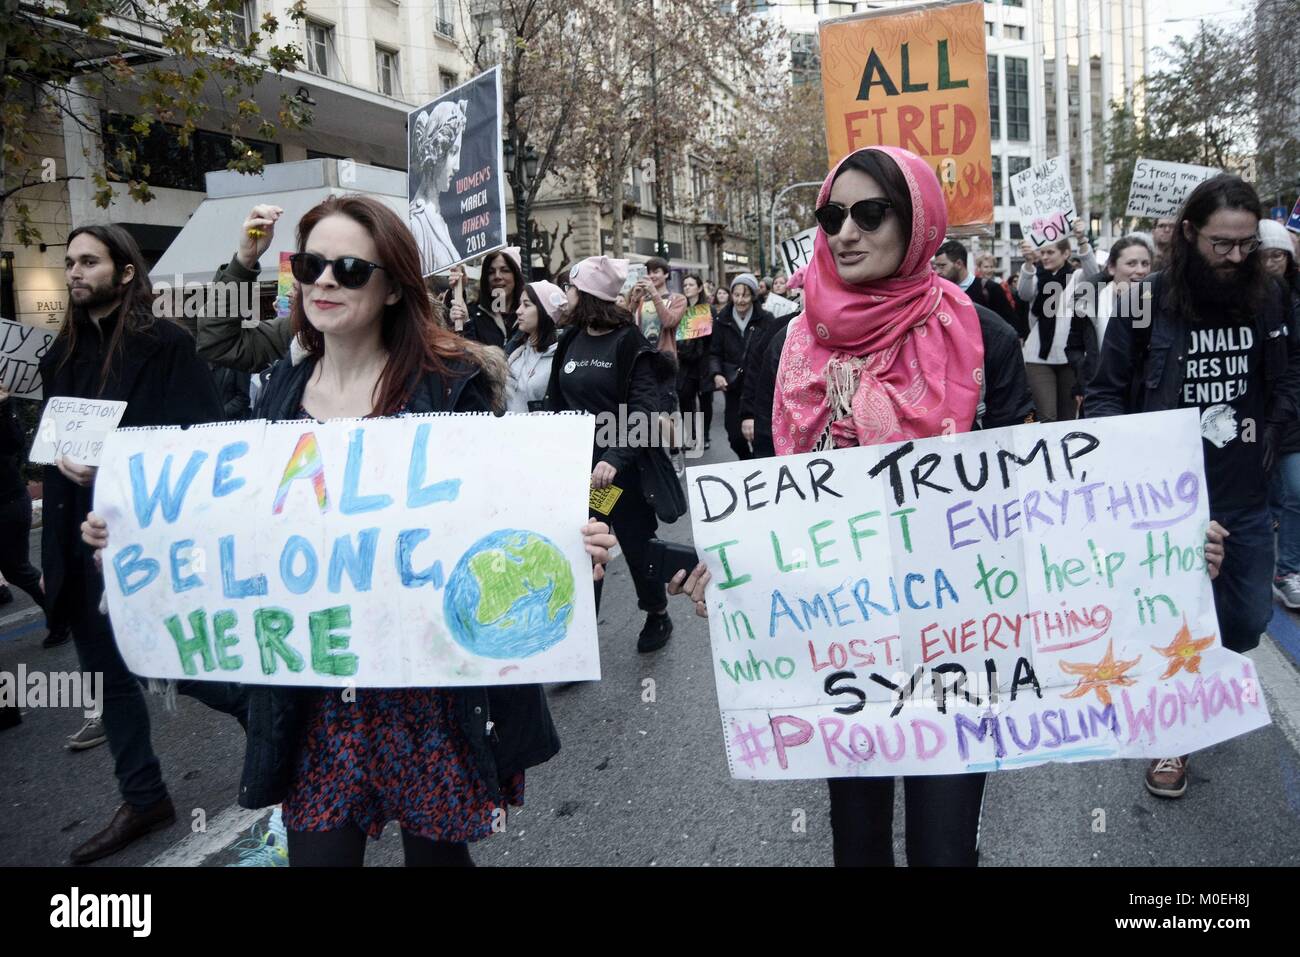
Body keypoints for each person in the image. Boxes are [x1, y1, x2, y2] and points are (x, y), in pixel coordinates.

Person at [84, 197, 618, 866]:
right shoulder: (284, 385)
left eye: (348, 267)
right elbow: (249, 518)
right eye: (309, 264)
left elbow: (493, 514)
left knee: (438, 860)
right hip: (319, 692)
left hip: (425, 685)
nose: (324, 281)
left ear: (394, 285)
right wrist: (139, 537)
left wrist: (569, 543)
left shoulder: (449, 383)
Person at [672, 146, 1026, 866]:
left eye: (871, 213)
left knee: (944, 850)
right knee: (858, 848)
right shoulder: (786, 348)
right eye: (833, 215)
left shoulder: (986, 339)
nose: (845, 233)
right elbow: (766, 502)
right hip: (841, 639)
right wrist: (731, 570)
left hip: (953, 634)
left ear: (920, 221)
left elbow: (1026, 491)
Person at [1086, 174, 1300, 799]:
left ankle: (1207, 694)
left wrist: (1273, 436)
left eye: (1246, 246)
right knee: (1169, 626)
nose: (1236, 259)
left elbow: (1287, 379)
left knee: (1244, 621)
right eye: (1221, 245)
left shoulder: (1271, 297)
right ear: (1187, 234)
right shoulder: (1140, 302)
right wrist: (1129, 472)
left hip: (1243, 496)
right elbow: (1104, 395)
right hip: (1164, 504)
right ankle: (1170, 740)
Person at [42, 224, 247, 864]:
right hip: (75, 534)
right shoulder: (60, 355)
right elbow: (54, 446)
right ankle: (143, 796)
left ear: (125, 272)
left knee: (167, 661)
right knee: (106, 676)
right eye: (69, 262)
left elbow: (201, 438)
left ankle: (267, 714)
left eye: (88, 261)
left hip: (144, 535)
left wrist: (115, 462)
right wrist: (62, 463)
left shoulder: (167, 346)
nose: (75, 272)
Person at [544, 256, 686, 653]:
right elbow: (558, 401)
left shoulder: (628, 342)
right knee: (584, 548)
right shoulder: (569, 340)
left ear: (587, 296)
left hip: (618, 474)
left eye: (570, 289)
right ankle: (580, 637)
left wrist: (614, 456)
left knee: (635, 543)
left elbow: (644, 409)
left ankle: (657, 611)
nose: (564, 297)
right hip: (579, 470)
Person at [1016, 221, 1098, 422]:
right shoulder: (1037, 277)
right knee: (1048, 417)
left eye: (1050, 252)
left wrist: (1081, 239)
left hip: (1069, 358)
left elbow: (1095, 274)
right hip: (1038, 358)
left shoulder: (1077, 277)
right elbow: (1024, 293)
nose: (1044, 257)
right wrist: (1028, 264)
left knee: (1067, 418)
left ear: (1066, 254)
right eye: (1042, 253)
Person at [1259, 218, 1300, 608]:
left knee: (1296, 491)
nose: (1273, 262)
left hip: (1289, 411)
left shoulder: (1291, 297)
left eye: (1280, 255)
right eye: (1267, 255)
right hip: (1258, 412)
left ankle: (1287, 569)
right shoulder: (1246, 298)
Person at [1064, 235, 1153, 405]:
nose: (1141, 270)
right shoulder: (1088, 301)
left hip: (1144, 399)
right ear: (1112, 267)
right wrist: (1087, 375)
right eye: (1131, 263)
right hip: (1101, 397)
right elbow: (1073, 348)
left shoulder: (1159, 302)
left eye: (1145, 264)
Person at [709, 273, 774, 461]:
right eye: (736, 295)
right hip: (733, 384)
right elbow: (714, 352)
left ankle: (759, 462)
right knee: (734, 436)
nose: (740, 300)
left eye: (745, 295)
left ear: (753, 296)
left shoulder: (766, 319)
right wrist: (717, 373)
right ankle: (746, 461)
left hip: (759, 385)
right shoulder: (722, 319)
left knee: (759, 434)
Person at [409, 98, 469, 276]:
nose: (457, 166)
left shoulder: (438, 218)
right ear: (437, 151)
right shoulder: (416, 224)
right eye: (452, 152)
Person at [932, 239, 1021, 336]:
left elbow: (1011, 327)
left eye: (942, 266)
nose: (937, 272)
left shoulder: (990, 289)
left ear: (959, 264)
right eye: (936, 267)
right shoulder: (939, 293)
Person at [447, 248, 525, 352]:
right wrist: (458, 291)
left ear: (516, 276)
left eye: (505, 270)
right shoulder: (471, 316)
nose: (497, 276)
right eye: (491, 272)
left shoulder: (530, 316)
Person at [505, 280, 564, 413]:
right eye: (520, 304)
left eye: (526, 305)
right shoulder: (515, 351)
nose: (518, 311)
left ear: (544, 310)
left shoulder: (560, 357)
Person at [675, 273, 714, 452]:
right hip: (685, 361)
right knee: (685, 399)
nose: (687, 287)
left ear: (699, 288)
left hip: (704, 360)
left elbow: (714, 338)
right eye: (685, 285)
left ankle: (704, 436)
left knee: (705, 399)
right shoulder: (680, 309)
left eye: (691, 284)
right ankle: (690, 437)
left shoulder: (707, 309)